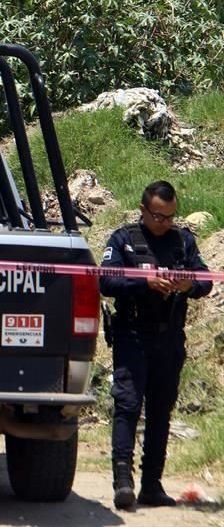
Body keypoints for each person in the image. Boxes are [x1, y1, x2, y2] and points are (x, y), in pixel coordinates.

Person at [100, 180, 213, 510]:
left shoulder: (183, 242)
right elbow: (105, 280)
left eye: (170, 216)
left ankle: (152, 484)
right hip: (133, 334)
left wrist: (189, 284)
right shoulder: (124, 239)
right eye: (158, 216)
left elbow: (205, 280)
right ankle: (123, 481)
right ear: (143, 210)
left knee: (161, 410)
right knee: (128, 405)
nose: (164, 223)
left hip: (169, 337)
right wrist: (144, 281)